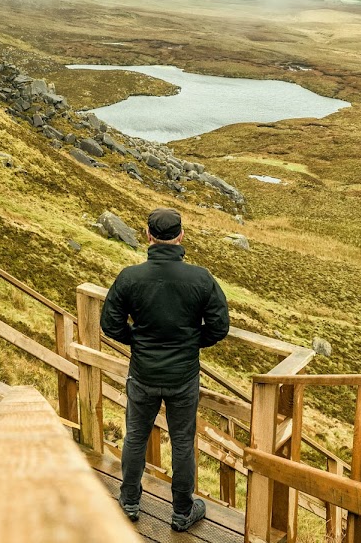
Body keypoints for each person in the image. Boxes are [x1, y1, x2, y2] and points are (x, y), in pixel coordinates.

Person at [101, 207, 230, 532]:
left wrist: (138, 340)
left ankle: (129, 502)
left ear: (148, 236)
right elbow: (219, 326)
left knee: (135, 437)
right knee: (183, 442)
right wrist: (190, 343)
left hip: (143, 373)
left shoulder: (131, 277)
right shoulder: (201, 278)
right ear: (180, 236)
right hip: (183, 377)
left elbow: (110, 324)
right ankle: (182, 511)